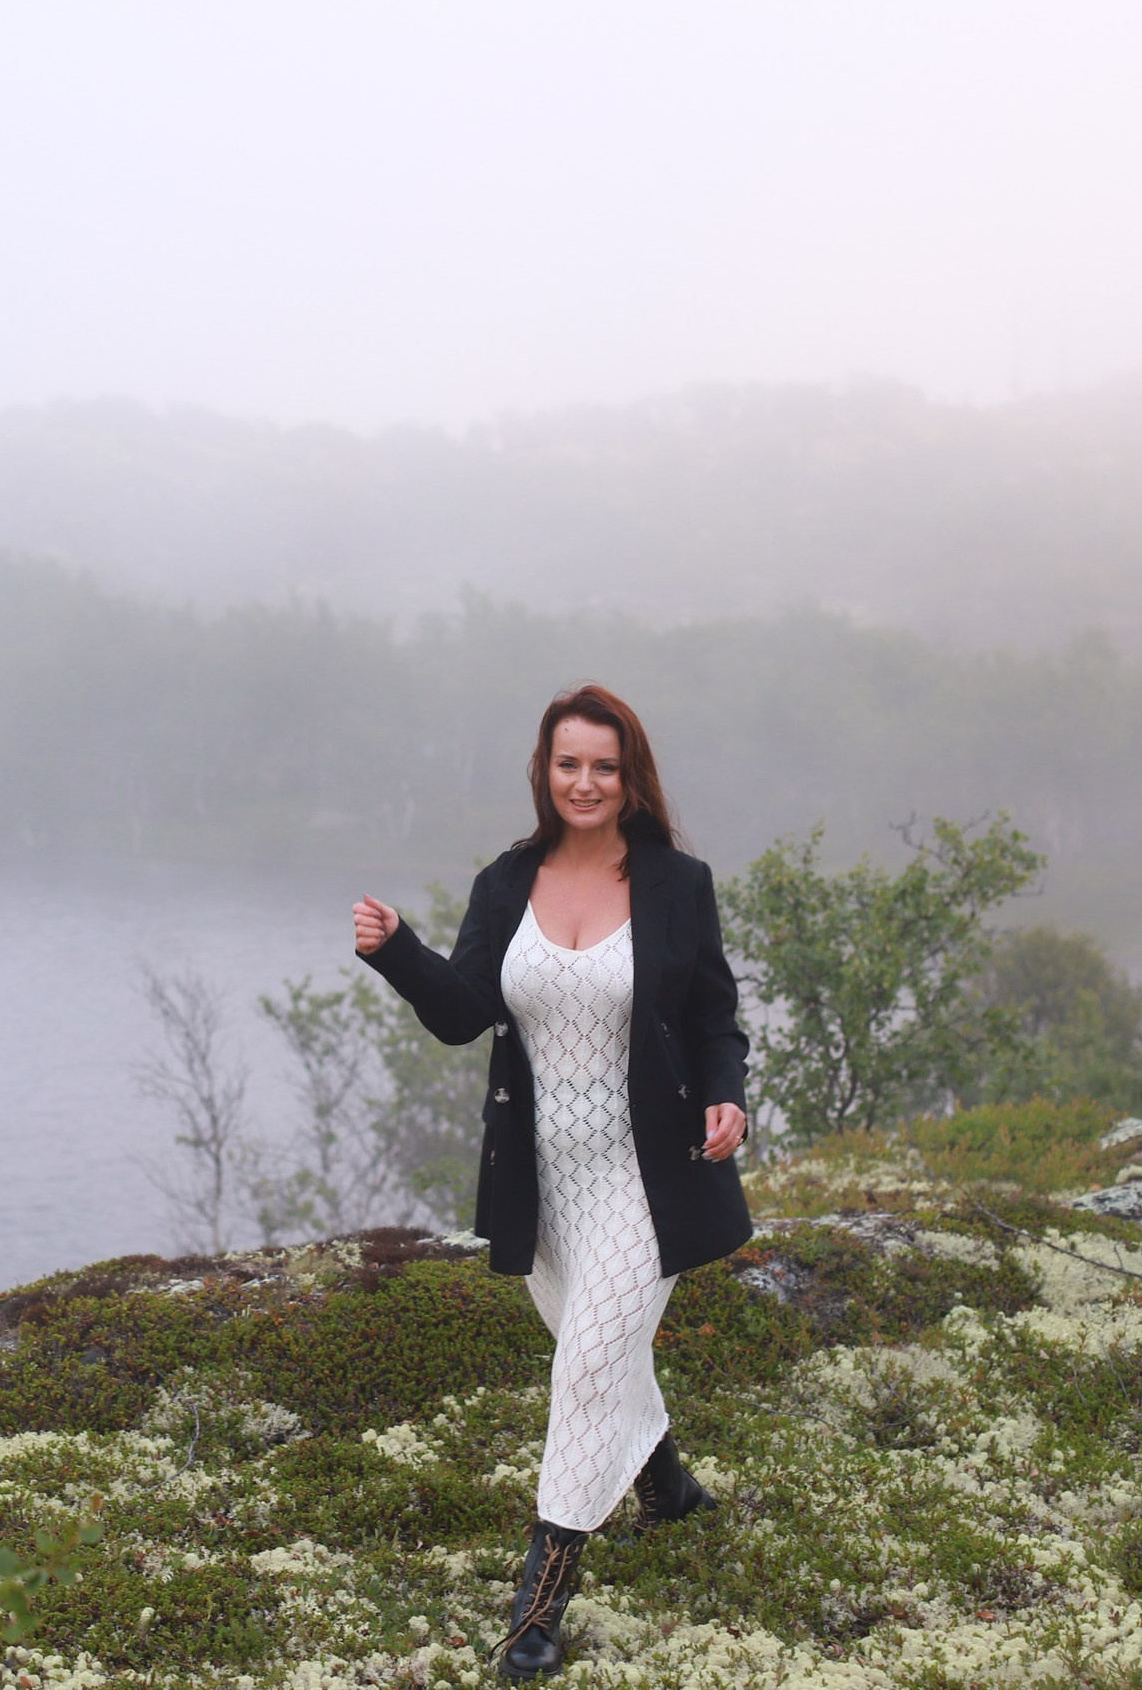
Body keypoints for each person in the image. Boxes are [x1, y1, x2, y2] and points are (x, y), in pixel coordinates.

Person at [351, 682, 752, 1682]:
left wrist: (727, 1095)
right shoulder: (505, 881)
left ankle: (538, 1605)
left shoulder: (675, 882)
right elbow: (461, 1011)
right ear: (545, 770)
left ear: (630, 778)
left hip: (647, 1179)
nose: (585, 780)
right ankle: (665, 1487)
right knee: (596, 1347)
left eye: (603, 766)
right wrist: (398, 950)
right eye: (568, 762)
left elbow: (713, 1016)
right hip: (545, 1185)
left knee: (582, 1372)